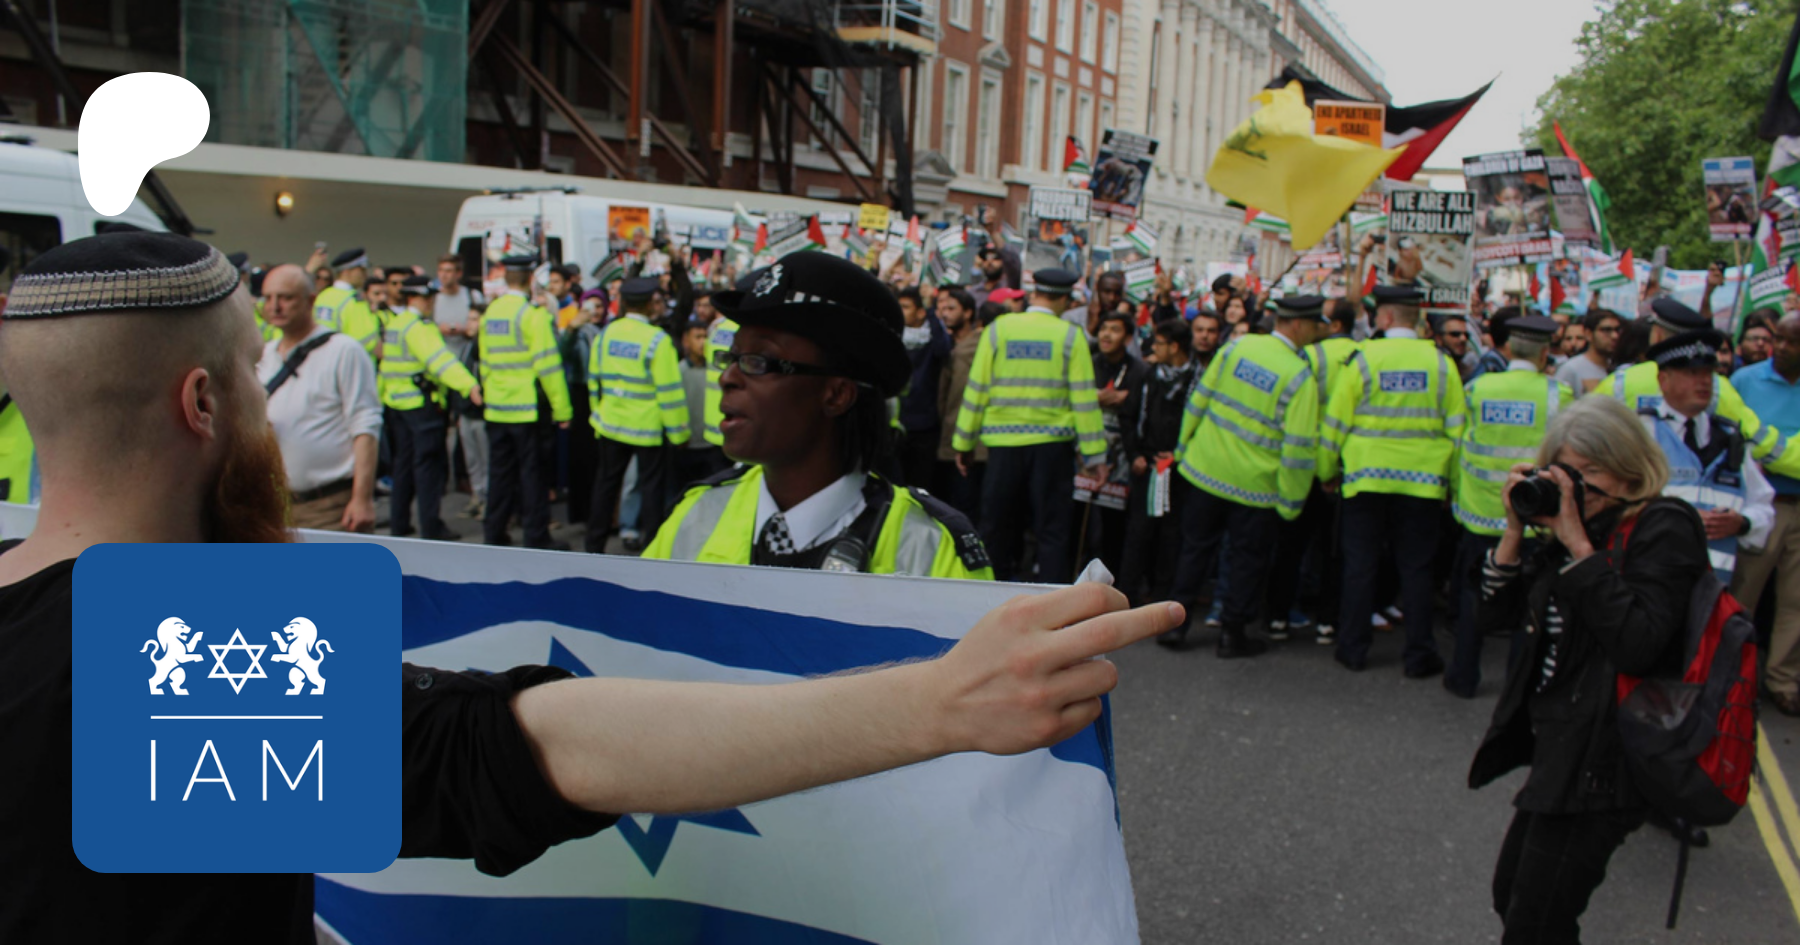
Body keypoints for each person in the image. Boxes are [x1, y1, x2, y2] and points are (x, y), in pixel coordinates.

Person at [0, 231, 1185, 944]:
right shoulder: (163, 665)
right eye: (261, 380)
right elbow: (516, 746)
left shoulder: (114, 644)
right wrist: (937, 702)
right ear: (204, 407)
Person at [1469, 396, 1708, 943]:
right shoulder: (1580, 525)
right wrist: (1514, 531)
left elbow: (1639, 645)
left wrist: (1577, 544)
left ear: (1630, 470)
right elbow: (1491, 616)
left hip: (1608, 758)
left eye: (1591, 471)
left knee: (1535, 923)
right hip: (1563, 743)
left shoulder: (1663, 527)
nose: (1577, 485)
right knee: (1513, 899)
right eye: (1565, 471)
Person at [646, 252, 992, 579]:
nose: (727, 378)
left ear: (837, 395)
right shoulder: (697, 514)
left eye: (759, 361)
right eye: (731, 358)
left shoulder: (932, 549)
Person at [1160, 294, 1324, 654]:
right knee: (1246, 561)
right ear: (1298, 324)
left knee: (1194, 551)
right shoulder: (1300, 377)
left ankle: (1174, 627)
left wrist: (1183, 448)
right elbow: (1298, 449)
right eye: (1315, 325)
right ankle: (1231, 635)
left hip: (1205, 470)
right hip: (1255, 488)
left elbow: (1199, 399)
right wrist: (1291, 503)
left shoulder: (1238, 347)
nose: (1318, 332)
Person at [1320, 285, 1465, 676]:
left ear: (1384, 317)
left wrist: (1326, 471)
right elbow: (1457, 430)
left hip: (1366, 479)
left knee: (1360, 565)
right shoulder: (1441, 363)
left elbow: (1335, 423)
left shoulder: (1364, 358)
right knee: (1416, 569)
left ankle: (1352, 649)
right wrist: (1452, 485)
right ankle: (1419, 655)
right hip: (1423, 482)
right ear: (1415, 318)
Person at [952, 267, 1107, 583]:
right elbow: (1084, 400)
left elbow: (976, 390)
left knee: (996, 530)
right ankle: (1053, 603)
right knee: (1053, 533)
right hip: (1052, 451)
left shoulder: (998, 330)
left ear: (1034, 293)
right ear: (1065, 299)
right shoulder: (1070, 336)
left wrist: (963, 443)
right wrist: (1095, 456)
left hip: (1003, 451)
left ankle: (989, 599)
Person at [1445, 316, 1569, 699]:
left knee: (1475, 595)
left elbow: (1458, 445)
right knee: (1530, 605)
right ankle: (1518, 685)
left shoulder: (1476, 388)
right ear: (1545, 353)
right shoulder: (1559, 395)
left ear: (1510, 349)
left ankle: (1462, 677)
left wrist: (1455, 494)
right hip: (1533, 517)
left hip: (1480, 512)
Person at [1595, 297, 1800, 478]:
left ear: (1656, 336)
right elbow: (1761, 443)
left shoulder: (1620, 382)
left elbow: (1586, 433)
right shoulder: (1716, 387)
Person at [1636, 329, 1774, 587]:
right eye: (1692, 373)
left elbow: (1763, 506)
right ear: (1663, 380)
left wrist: (1742, 523)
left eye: (1709, 373)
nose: (1704, 382)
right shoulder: (1641, 433)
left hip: (1713, 589)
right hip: (1652, 579)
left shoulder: (1730, 438)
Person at [255, 264, 380, 532]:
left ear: (310, 301)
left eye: (286, 297)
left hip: (329, 507)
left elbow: (365, 426)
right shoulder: (264, 355)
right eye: (268, 298)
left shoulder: (343, 351)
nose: (275, 306)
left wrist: (362, 498)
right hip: (273, 505)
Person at [1265, 296, 1361, 645]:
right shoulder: (1364, 356)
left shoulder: (1309, 356)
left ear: (1334, 324)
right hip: (1343, 469)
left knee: (1291, 547)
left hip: (1305, 466)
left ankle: (1277, 617)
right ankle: (1328, 621)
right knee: (1334, 551)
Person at [585, 277, 690, 553]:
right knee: (652, 489)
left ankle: (593, 547)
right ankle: (651, 549)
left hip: (610, 425)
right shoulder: (657, 340)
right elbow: (669, 391)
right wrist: (679, 433)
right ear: (649, 304)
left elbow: (594, 379)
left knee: (605, 486)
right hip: (646, 429)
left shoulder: (606, 334)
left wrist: (597, 415)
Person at [1732, 313, 1800, 715]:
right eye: (1780, 339)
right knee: (1744, 595)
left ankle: (1782, 681)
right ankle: (1733, 675)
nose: (1782, 348)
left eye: (1793, 341)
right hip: (1763, 506)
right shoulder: (1746, 380)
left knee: (1795, 601)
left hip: (1798, 505)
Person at [480, 254, 573, 549]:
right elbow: (549, 367)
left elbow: (485, 362)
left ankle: (494, 533)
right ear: (531, 280)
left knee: (499, 475)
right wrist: (562, 409)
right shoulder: (532, 315)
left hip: (497, 409)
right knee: (533, 476)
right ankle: (536, 537)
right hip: (527, 410)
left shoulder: (491, 312)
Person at [381, 274, 482, 541]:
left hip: (397, 404)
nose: (432, 303)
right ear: (417, 298)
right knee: (428, 469)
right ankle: (431, 527)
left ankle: (399, 524)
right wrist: (468, 385)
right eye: (428, 298)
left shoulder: (396, 324)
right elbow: (440, 361)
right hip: (421, 406)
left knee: (403, 466)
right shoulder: (419, 327)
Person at [1117, 319, 1198, 607]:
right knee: (1138, 534)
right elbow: (1128, 417)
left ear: (1174, 347)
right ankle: (1127, 595)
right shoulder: (1147, 376)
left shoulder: (1197, 381)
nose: (1153, 348)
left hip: (1180, 469)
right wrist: (1135, 454)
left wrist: (1179, 455)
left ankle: (1163, 597)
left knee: (1171, 536)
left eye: (1159, 343)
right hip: (1147, 465)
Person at [1087, 311, 1149, 576]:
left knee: (1114, 525)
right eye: (1104, 329)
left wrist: (1123, 399)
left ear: (1128, 337)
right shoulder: (1089, 363)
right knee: (1082, 520)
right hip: (1086, 454)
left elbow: (1138, 409)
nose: (1107, 335)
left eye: (1115, 330)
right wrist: (1099, 397)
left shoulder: (1139, 371)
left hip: (1122, 456)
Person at [432, 254, 489, 518]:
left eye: (450, 270)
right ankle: (476, 495)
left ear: (459, 273)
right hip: (449, 382)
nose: (445, 275)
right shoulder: (435, 299)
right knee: (468, 451)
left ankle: (486, 498)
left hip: (475, 397)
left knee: (482, 452)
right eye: (441, 270)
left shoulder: (471, 297)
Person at [936, 294, 994, 519]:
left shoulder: (965, 351)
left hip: (963, 440)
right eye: (943, 308)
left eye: (951, 308)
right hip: (979, 441)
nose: (945, 313)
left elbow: (952, 400)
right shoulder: (949, 345)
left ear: (969, 313)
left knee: (964, 507)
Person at [896, 286, 953, 489]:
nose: (900, 312)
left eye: (906, 307)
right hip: (898, 422)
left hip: (925, 422)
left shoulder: (932, 338)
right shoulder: (896, 337)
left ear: (920, 312)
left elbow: (942, 349)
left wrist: (930, 310)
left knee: (921, 482)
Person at [674, 313, 731, 486]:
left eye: (705, 337)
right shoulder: (679, 371)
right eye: (697, 337)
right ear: (686, 340)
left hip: (711, 444)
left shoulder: (715, 370)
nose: (703, 342)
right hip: (687, 445)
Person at [1554, 308, 1621, 395]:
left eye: (1617, 330)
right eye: (1606, 330)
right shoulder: (1571, 369)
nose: (1615, 336)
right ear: (1588, 334)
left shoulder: (1620, 369)